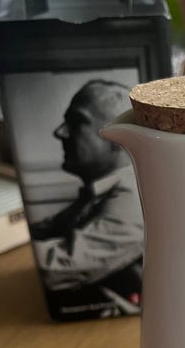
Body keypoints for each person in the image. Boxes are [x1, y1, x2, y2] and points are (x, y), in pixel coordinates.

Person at [30, 79, 144, 319]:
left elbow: (54, 269)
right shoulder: (103, 190)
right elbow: (48, 227)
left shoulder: (136, 200)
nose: (60, 132)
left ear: (120, 138)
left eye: (76, 122)